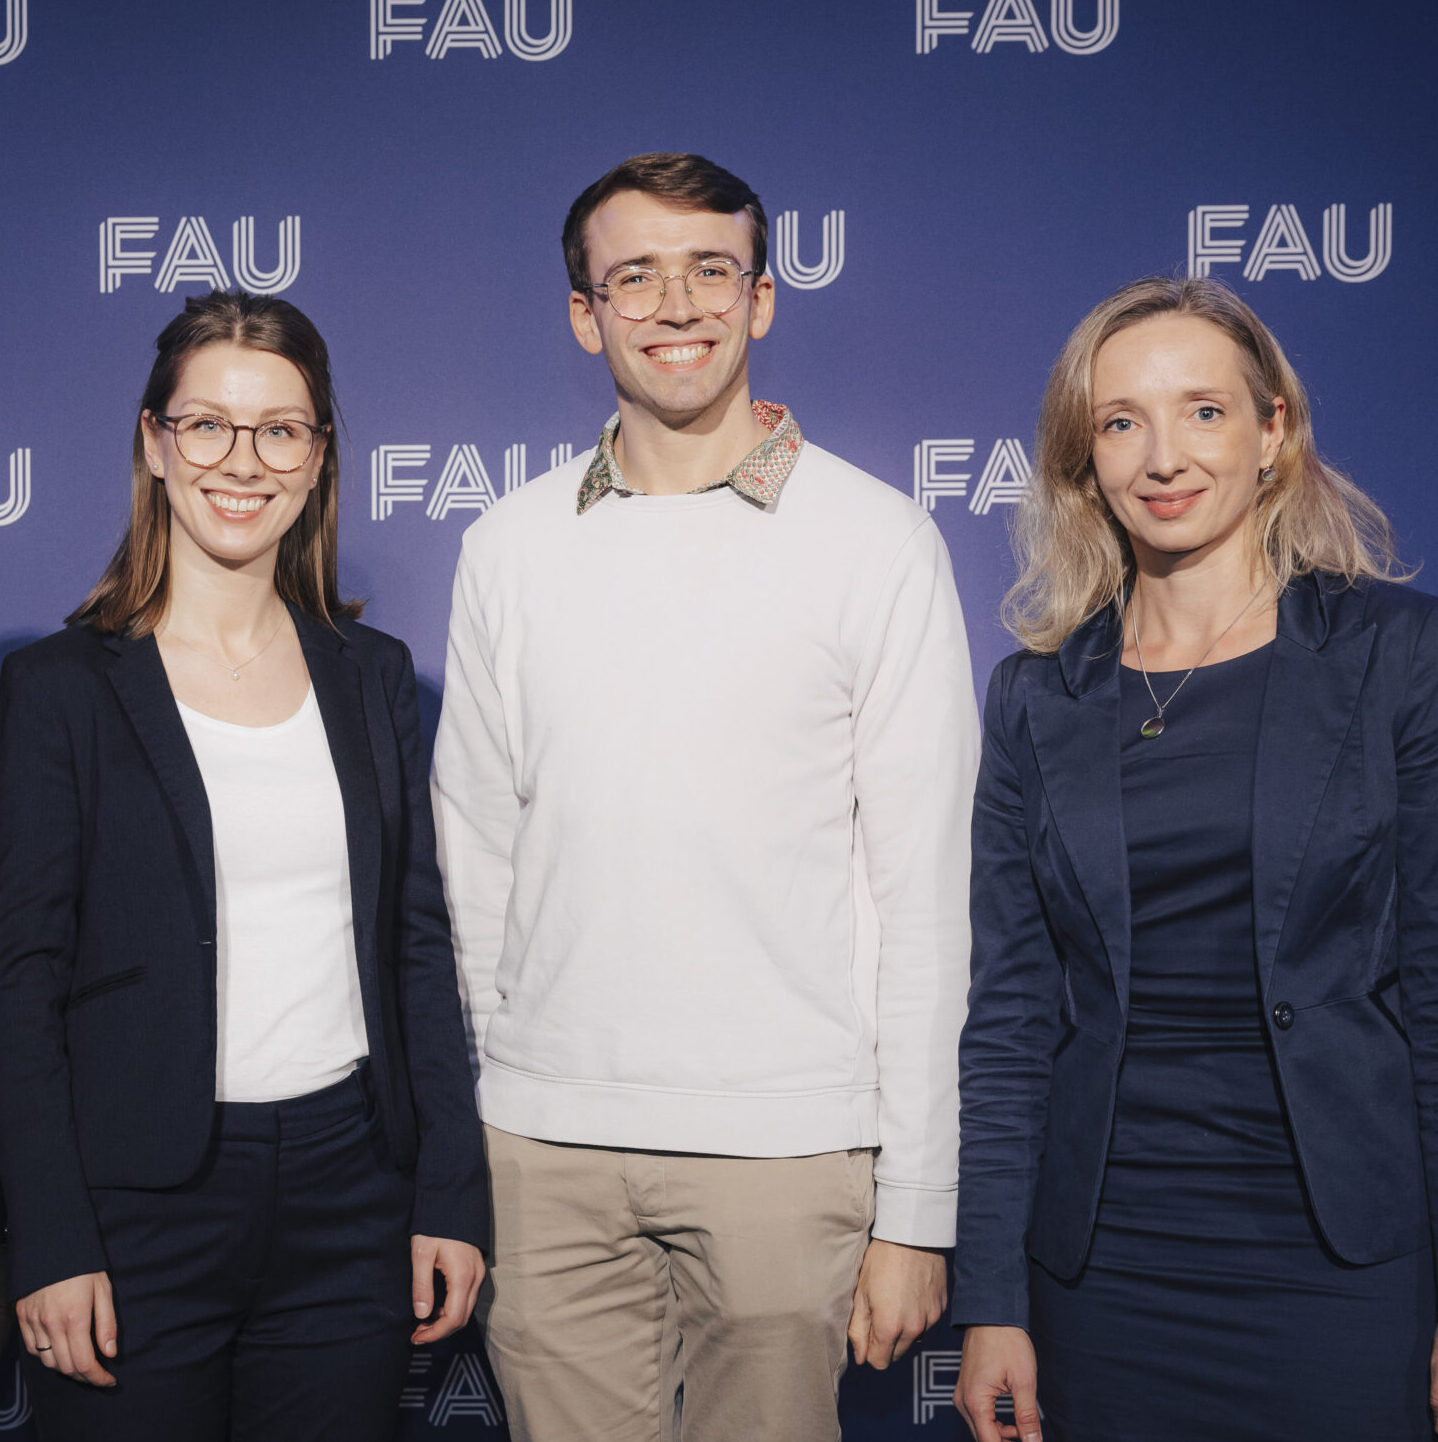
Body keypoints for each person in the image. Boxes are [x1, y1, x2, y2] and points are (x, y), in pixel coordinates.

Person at [432, 152, 979, 1442]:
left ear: (761, 297)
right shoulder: (506, 546)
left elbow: (924, 898)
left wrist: (917, 1204)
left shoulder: (878, 541)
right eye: (634, 276)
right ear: (586, 315)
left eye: (709, 270)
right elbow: (476, 858)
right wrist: (508, 1093)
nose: (675, 304)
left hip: (787, 1148)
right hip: (543, 1152)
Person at [951, 275, 1438, 1442]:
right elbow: (1011, 1015)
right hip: (1103, 1264)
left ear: (1273, 431)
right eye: (1121, 421)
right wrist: (992, 1297)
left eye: (1203, 411)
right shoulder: (1033, 696)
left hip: (1341, 1254)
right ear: (1086, 458)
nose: (1163, 456)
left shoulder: (1395, 656)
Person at [0, 290, 487, 1441]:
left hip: (350, 1200)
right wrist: (51, 1235)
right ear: (155, 442)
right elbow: (19, 982)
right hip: (133, 1209)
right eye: (207, 424)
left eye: (279, 429)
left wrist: (450, 1192)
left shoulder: (374, 675)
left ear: (317, 457)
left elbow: (416, 949)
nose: (242, 460)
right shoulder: (58, 689)